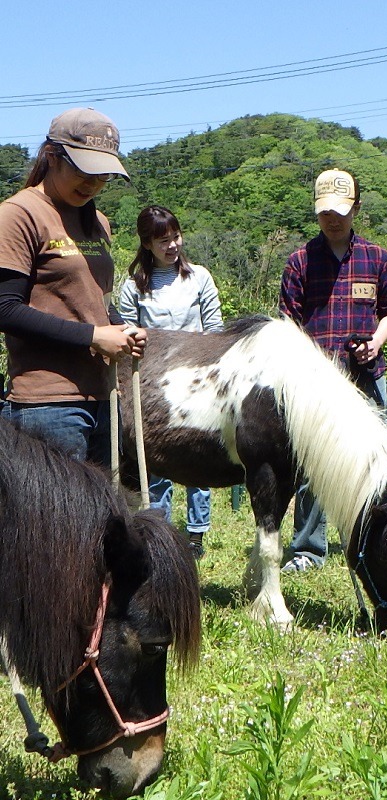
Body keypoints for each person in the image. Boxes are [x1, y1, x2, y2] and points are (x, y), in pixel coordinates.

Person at [0, 107, 147, 465]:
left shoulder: (98, 222)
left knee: (108, 503)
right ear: (52, 156)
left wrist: (120, 328)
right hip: (47, 404)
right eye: (84, 172)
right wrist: (93, 337)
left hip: (103, 396)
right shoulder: (19, 214)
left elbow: (94, 299)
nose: (93, 185)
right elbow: (5, 309)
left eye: (103, 176)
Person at [279, 168, 387, 572]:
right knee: (313, 467)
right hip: (317, 385)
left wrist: (376, 342)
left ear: (356, 209)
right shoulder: (299, 262)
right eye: (324, 212)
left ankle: (372, 540)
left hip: (367, 377)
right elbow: (287, 324)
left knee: (375, 465)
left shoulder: (376, 258)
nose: (332, 219)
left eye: (340, 211)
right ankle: (307, 550)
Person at [119, 206, 223, 559]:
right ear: (147, 244)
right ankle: (160, 530)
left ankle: (196, 534)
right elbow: (127, 336)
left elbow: (215, 329)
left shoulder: (200, 278)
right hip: (155, 389)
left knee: (199, 457)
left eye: (176, 237)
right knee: (158, 460)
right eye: (163, 241)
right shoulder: (134, 286)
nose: (173, 246)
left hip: (198, 382)